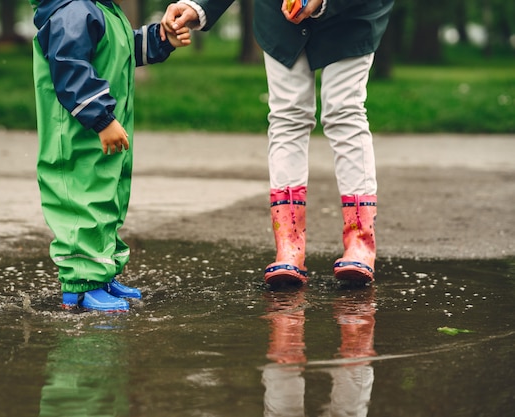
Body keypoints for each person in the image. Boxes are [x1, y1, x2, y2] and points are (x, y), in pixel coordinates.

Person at [161, 0, 394, 287]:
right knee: (287, 114)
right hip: (280, 14)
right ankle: (288, 246)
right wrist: (200, 6)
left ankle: (360, 241)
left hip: (352, 13)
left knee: (344, 111)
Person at [30, 0, 190, 312]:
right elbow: (70, 67)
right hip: (79, 136)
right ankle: (80, 285)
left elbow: (121, 50)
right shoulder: (74, 12)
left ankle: (101, 273)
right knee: (82, 204)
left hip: (101, 133)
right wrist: (101, 118)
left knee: (108, 200)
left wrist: (160, 38)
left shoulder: (105, 12)